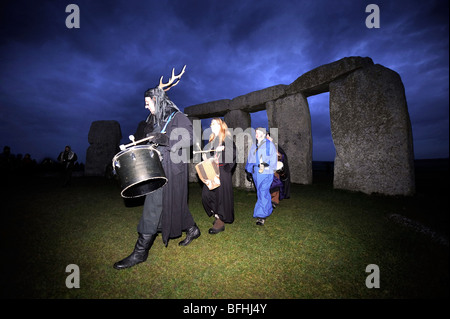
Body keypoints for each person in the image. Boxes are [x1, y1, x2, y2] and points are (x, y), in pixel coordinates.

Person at [114, 66, 201, 270]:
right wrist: (138, 143)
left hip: (172, 171)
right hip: (156, 169)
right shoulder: (153, 121)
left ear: (157, 100)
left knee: (152, 208)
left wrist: (165, 138)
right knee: (174, 204)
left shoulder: (177, 117)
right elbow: (152, 143)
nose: (145, 107)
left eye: (147, 102)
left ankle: (140, 253)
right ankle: (193, 229)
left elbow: (189, 138)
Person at [201, 118, 236, 234]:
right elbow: (210, 155)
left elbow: (234, 154)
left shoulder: (227, 139)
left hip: (222, 170)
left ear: (221, 126)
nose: (212, 125)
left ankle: (220, 220)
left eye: (215, 123)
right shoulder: (212, 141)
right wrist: (206, 156)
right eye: (211, 124)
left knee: (221, 196)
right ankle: (216, 214)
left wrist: (227, 168)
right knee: (207, 194)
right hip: (212, 170)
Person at [245, 127, 277, 226]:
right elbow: (250, 159)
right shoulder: (254, 146)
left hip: (266, 172)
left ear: (264, 134)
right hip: (256, 173)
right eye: (256, 132)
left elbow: (273, 159)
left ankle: (261, 216)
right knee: (261, 192)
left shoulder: (269, 145)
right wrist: (249, 171)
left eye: (259, 132)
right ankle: (268, 208)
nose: (257, 134)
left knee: (263, 191)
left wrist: (268, 167)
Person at [267, 134, 291, 208]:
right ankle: (268, 200)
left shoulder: (275, 146)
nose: (267, 138)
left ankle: (274, 201)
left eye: (268, 136)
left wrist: (279, 155)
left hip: (275, 170)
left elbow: (282, 156)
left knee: (276, 184)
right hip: (266, 169)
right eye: (266, 136)